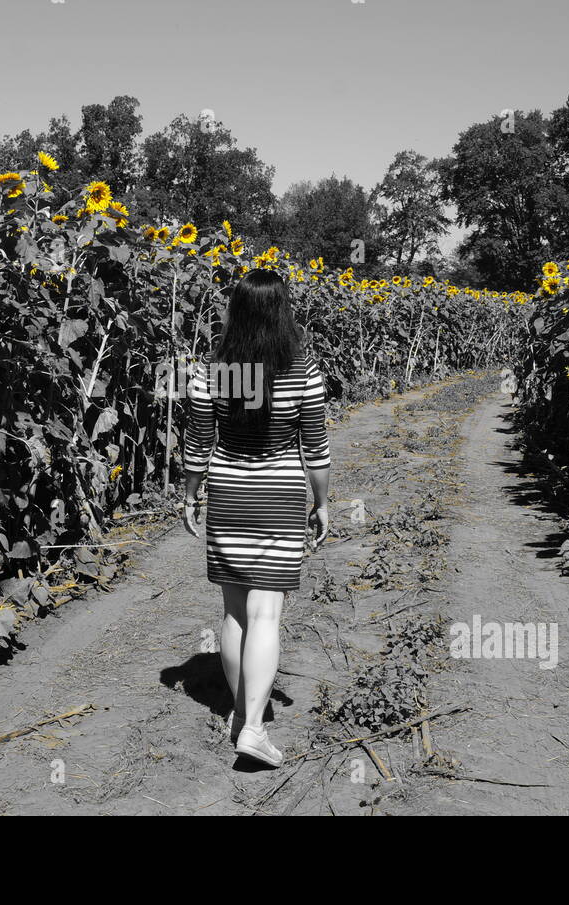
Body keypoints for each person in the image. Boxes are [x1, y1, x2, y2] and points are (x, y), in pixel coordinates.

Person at [181, 268, 331, 767]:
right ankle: (253, 727)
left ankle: (244, 713)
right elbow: (317, 449)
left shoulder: (211, 373)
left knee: (234, 614)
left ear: (236, 311)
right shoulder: (302, 371)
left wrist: (190, 494)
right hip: (281, 498)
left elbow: (199, 444)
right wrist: (322, 502)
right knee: (267, 613)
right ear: (282, 312)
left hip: (228, 496)